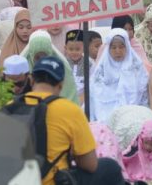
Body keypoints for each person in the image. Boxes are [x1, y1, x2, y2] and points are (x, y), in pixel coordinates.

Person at [9, 56, 125, 185]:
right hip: (53, 181)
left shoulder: (9, 107)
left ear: (31, 80)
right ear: (61, 85)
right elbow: (90, 165)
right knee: (110, 167)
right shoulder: (70, 110)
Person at [89, 29, 149, 122]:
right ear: (108, 49)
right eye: (113, 47)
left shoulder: (136, 67)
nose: (118, 51)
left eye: (121, 47)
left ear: (127, 47)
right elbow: (94, 98)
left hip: (134, 118)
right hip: (104, 119)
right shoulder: (101, 70)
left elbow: (144, 95)